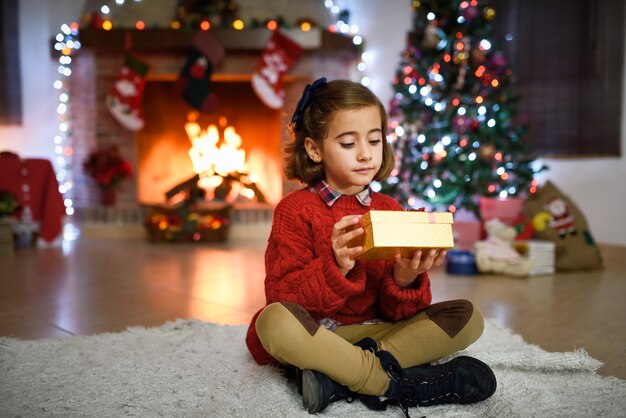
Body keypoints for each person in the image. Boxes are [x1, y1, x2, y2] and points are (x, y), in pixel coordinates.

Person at [245, 78, 496, 417]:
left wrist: (406, 277)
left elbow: (401, 314)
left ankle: (336, 376)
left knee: (468, 318)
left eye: (375, 140)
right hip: (319, 333)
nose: (366, 154)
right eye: (348, 143)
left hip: (378, 331)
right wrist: (336, 266)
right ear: (314, 149)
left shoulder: (390, 209)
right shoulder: (293, 210)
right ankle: (394, 384)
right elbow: (283, 296)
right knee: (272, 322)